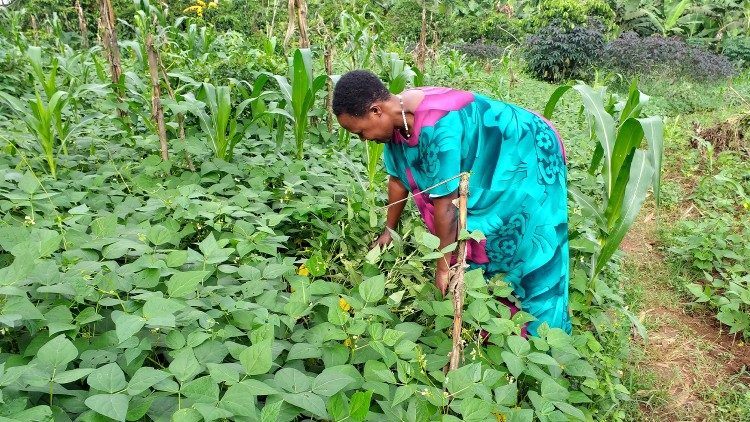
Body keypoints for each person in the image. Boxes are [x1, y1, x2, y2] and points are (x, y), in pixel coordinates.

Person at [332, 70, 571, 336]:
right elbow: (398, 179)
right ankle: (495, 326)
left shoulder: (438, 124)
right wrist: (389, 229)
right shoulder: (397, 120)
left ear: (376, 111)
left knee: (530, 241)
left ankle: (545, 337)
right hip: (493, 159)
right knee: (484, 240)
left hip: (528, 150)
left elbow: (446, 204)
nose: (364, 139)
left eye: (361, 132)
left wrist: (443, 266)